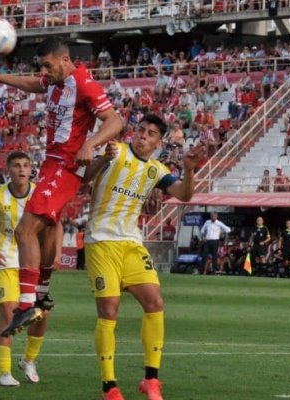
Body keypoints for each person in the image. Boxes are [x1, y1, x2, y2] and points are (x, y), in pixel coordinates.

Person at [0, 37, 122, 336]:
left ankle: (28, 303)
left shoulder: (83, 84)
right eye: (41, 65)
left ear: (65, 60)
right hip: (51, 164)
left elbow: (115, 121)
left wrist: (91, 144)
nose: (44, 71)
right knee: (40, 235)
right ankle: (41, 294)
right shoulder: (55, 80)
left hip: (64, 166)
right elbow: (34, 83)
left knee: (23, 231)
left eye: (48, 65)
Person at [81, 114, 206, 400]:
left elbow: (184, 195)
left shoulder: (157, 170)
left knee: (155, 302)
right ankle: (109, 386)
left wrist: (188, 170)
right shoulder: (114, 150)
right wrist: (101, 160)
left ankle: (151, 380)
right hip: (101, 241)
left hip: (131, 243)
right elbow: (85, 177)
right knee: (109, 310)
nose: (142, 136)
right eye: (140, 130)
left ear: (158, 142)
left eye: (150, 134)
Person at [0, 151, 55, 386]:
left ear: (31, 168)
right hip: (7, 261)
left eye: (25, 165)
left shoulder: (41, 195)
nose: (21, 169)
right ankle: (4, 372)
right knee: (9, 313)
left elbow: (54, 226)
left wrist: (53, 256)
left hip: (33, 263)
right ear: (8, 170)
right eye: (16, 165)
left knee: (43, 314)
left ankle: (28, 360)